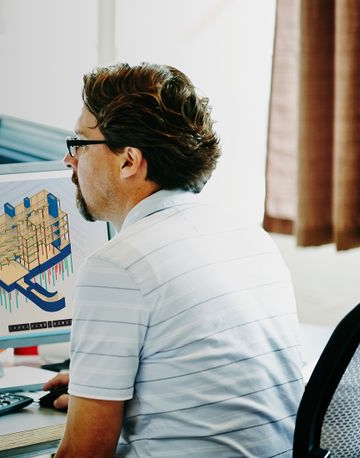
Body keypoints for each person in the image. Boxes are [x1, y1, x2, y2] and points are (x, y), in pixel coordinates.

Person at [43, 63, 304, 456]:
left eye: (80, 143)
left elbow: (83, 454)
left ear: (128, 160)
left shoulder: (118, 267)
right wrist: (95, 390)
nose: (70, 160)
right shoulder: (248, 235)